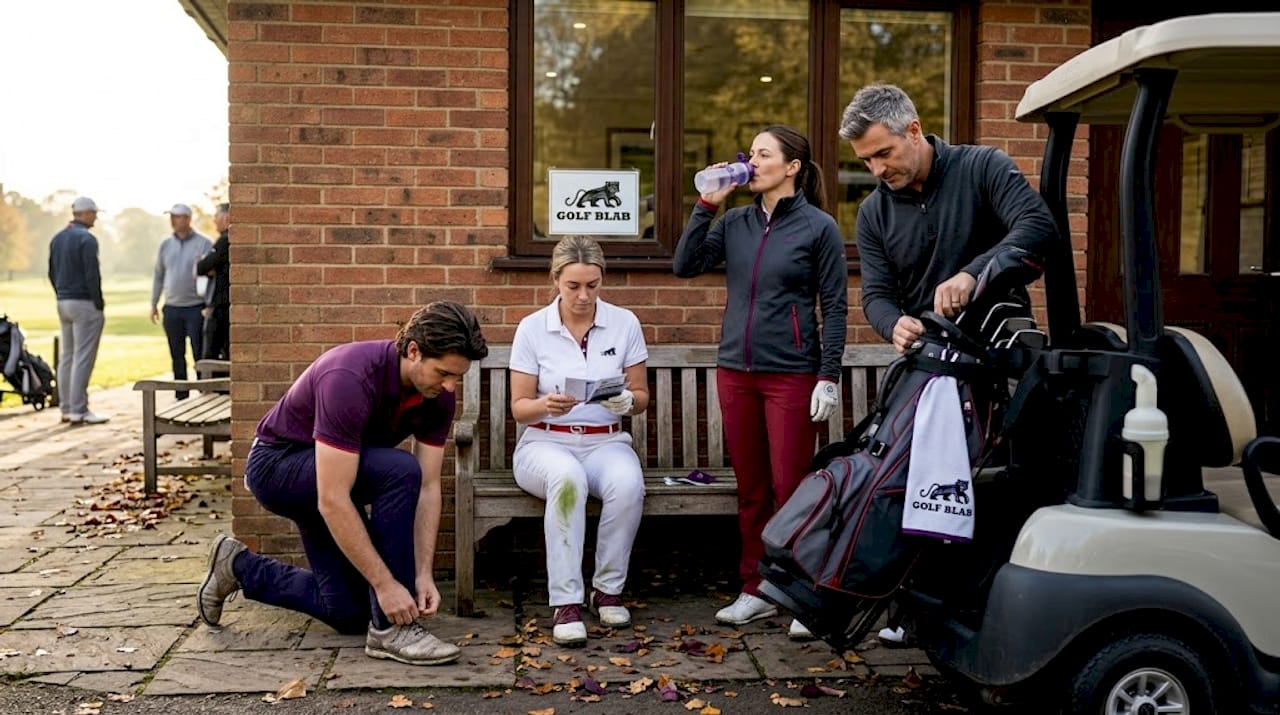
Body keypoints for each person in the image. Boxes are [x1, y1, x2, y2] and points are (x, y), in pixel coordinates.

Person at [197, 301, 488, 666]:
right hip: (278, 468)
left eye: (457, 377)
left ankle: (238, 566)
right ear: (413, 351)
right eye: (443, 373)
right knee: (399, 470)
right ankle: (392, 631)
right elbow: (332, 498)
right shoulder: (350, 377)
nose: (449, 386)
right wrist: (386, 586)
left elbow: (429, 488)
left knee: (349, 612)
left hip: (334, 476)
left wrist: (422, 574)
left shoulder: (437, 396)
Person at [674, 125, 848, 639]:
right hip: (736, 372)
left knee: (792, 489)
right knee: (751, 490)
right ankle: (756, 588)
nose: (751, 162)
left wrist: (828, 375)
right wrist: (706, 205)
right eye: (750, 153)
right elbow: (685, 265)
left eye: (763, 154)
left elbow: (835, 308)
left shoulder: (819, 228)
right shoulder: (735, 223)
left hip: (792, 374)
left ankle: (801, 590)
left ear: (791, 167)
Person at [509, 235, 651, 647]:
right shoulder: (533, 328)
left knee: (629, 484)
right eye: (573, 286)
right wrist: (545, 405)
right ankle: (566, 602)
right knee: (568, 479)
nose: (584, 295)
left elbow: (641, 396)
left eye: (593, 285)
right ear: (555, 280)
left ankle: (607, 590)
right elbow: (519, 408)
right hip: (545, 442)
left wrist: (628, 401)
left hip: (606, 441)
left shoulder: (624, 323)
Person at [840, 83, 1056, 353]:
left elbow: (1039, 225)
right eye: (866, 160)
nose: (876, 170)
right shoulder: (872, 213)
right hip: (932, 356)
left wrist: (972, 274)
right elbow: (877, 295)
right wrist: (894, 324)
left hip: (1004, 350)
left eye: (884, 153)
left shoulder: (983, 166)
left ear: (913, 131)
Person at [47, 196, 108, 425]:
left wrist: (60, 293)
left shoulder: (58, 237)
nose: (96, 218)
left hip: (63, 302)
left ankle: (66, 408)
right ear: (85, 214)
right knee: (83, 357)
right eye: (94, 213)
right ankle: (79, 410)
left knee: (67, 357)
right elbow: (92, 275)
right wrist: (99, 303)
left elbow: (51, 272)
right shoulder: (87, 239)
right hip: (84, 303)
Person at [150, 203, 213, 399]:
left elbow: (212, 276)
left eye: (176, 217)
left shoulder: (204, 243)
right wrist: (153, 304)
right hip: (172, 308)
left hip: (196, 307)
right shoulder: (165, 245)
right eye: (171, 217)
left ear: (187, 219)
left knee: (199, 353)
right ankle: (181, 395)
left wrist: (209, 303)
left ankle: (205, 393)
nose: (173, 221)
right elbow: (158, 275)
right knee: (176, 354)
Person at [197, 203, 230, 361]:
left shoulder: (224, 241)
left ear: (226, 218)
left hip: (221, 308)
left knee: (210, 354)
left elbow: (201, 267)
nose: (214, 220)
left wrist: (211, 267)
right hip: (225, 305)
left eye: (216, 216)